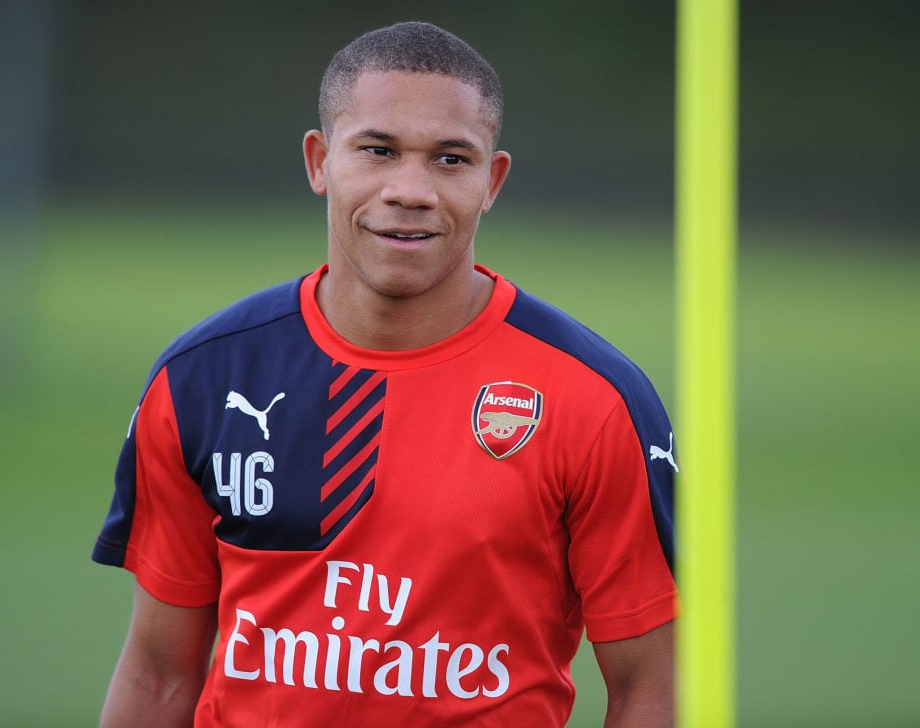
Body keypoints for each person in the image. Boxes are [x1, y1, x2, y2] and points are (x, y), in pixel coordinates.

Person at [93, 20, 677, 728]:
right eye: (377, 150)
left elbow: (652, 691)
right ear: (318, 162)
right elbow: (158, 676)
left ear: (492, 181)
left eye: (450, 159)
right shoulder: (203, 378)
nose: (411, 189)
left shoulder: (595, 400)